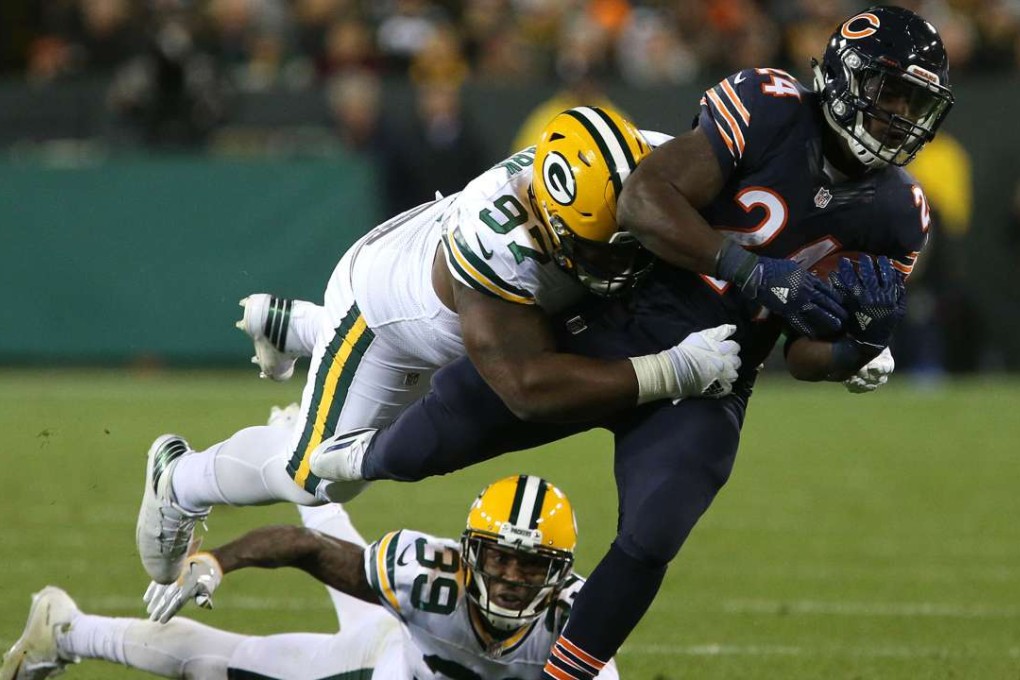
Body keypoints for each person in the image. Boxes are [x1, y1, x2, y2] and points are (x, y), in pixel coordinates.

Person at [308, 7, 955, 679]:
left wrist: (859, 344)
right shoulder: (770, 107)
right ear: (847, 79)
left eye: (918, 102)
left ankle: (564, 675)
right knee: (431, 440)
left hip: (717, 374)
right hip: (621, 316)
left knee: (655, 533)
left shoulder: (900, 214)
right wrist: (749, 271)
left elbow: (803, 355)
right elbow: (644, 201)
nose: (901, 115)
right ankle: (359, 455)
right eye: (891, 93)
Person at [135, 106, 744, 586]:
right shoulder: (497, 248)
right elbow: (526, 388)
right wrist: (669, 372)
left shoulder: (643, 160)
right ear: (552, 224)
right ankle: (180, 478)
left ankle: (299, 328)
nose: (623, 255)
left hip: (443, 278)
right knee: (317, 477)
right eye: (601, 245)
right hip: (383, 320)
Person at [4, 474, 619, 679]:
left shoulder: (583, 628)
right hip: (392, 662)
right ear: (468, 556)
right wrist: (217, 561)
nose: (511, 576)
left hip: (412, 642)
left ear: (559, 574)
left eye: (531, 563)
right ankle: (66, 628)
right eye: (498, 558)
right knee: (219, 662)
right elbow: (310, 551)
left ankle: (305, 471)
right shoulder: (430, 579)